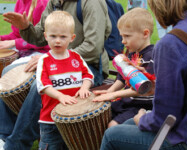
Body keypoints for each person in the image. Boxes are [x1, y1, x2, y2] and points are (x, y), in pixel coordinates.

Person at [100, 0, 187, 150]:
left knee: (111, 136)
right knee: (127, 124)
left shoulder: (172, 43)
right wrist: (158, 86)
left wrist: (142, 119)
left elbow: (164, 118)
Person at [3, 0, 111, 87]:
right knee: (8, 74)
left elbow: (92, 48)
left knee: (39, 84)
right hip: (58, 61)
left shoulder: (91, 3)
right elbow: (40, 37)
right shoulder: (54, 2)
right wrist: (25, 27)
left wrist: (52, 59)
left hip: (89, 68)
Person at [36, 11, 94, 149]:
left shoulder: (76, 57)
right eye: (53, 36)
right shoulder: (45, 60)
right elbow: (44, 85)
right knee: (51, 146)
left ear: (72, 38)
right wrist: (60, 96)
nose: (57, 40)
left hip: (75, 117)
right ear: (45, 36)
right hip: (50, 119)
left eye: (63, 36)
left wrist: (84, 88)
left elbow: (88, 76)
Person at [0, 0, 50, 150]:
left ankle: (6, 133)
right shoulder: (21, 2)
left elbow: (45, 41)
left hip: (42, 54)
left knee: (7, 72)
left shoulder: (43, 3)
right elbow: (16, 34)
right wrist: (4, 39)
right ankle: (3, 132)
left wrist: (14, 43)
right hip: (27, 54)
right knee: (6, 72)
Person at [93, 8, 154, 128]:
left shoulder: (151, 57)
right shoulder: (131, 53)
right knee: (98, 117)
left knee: (112, 126)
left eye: (127, 36)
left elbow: (144, 88)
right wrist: (110, 91)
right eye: (121, 36)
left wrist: (114, 95)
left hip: (140, 106)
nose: (123, 41)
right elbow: (122, 77)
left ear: (145, 34)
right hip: (125, 102)